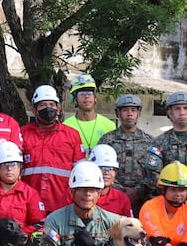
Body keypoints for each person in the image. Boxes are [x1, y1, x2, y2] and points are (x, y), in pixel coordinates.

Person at [21, 85, 85, 213]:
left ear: (59, 108)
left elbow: (80, 172)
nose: (48, 108)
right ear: (34, 110)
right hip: (29, 204)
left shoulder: (72, 135)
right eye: (42, 105)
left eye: (52, 104)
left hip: (63, 204)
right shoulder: (22, 134)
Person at [98, 93, 161, 208]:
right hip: (112, 198)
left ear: (139, 113)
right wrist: (119, 190)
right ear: (118, 113)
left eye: (133, 110)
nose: (129, 113)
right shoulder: (107, 140)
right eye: (125, 110)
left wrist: (138, 191)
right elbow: (99, 167)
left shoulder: (151, 141)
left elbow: (155, 171)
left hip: (143, 200)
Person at [138, 162, 187, 246]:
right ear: (163, 190)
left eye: (182, 190)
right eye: (173, 190)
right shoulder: (150, 208)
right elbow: (159, 244)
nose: (178, 194)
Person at [153, 91, 187, 172]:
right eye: (177, 109)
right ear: (170, 112)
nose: (182, 113)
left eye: (186, 108)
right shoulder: (158, 143)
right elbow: (153, 174)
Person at [63, 74, 116, 156]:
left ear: (95, 97)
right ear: (74, 99)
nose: (86, 96)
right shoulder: (65, 127)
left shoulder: (110, 126)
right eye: (82, 93)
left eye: (89, 93)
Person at [88, 144, 133, 216]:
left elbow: (130, 225)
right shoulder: (79, 195)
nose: (107, 172)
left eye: (111, 169)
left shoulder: (122, 199)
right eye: (102, 168)